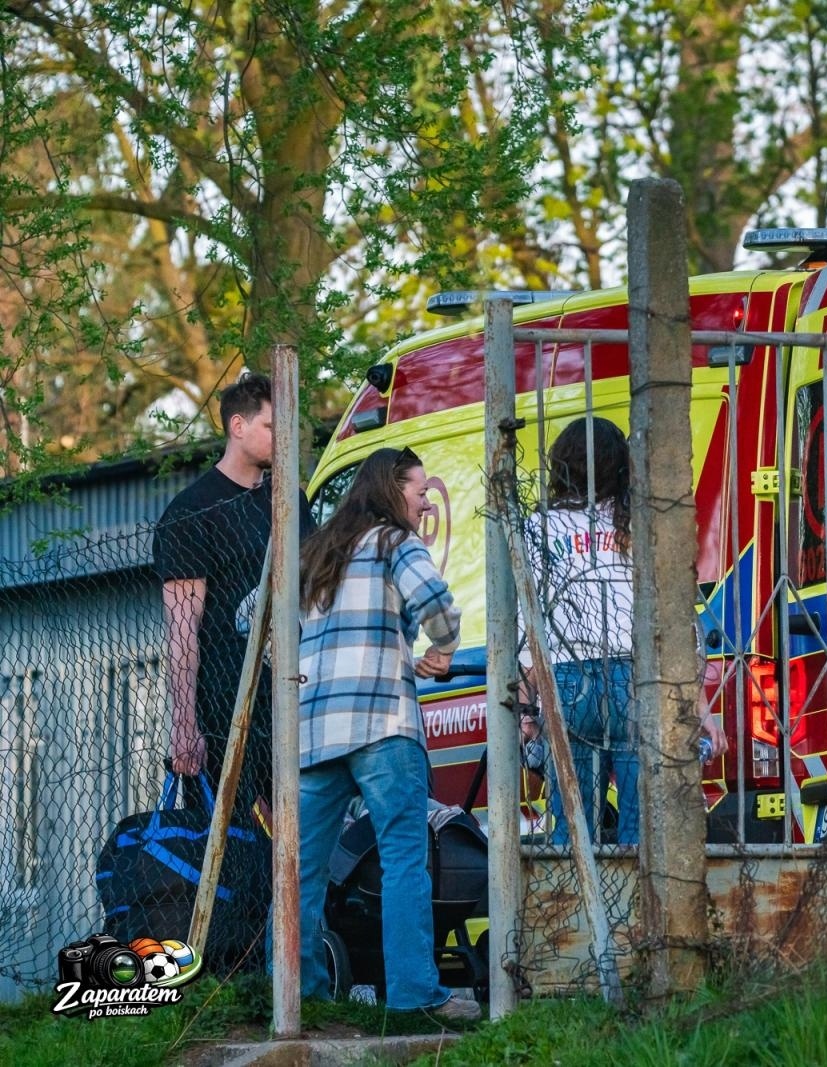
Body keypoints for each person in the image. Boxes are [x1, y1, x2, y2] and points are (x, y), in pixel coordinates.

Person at [293, 447, 479, 1021]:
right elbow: (437, 604)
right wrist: (442, 653)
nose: (427, 502)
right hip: (383, 724)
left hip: (314, 731)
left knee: (300, 868)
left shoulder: (315, 553)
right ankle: (413, 993)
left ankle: (298, 993)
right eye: (420, 491)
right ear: (391, 490)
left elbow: (252, 617)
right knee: (404, 858)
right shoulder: (397, 543)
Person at [524, 418, 725, 847]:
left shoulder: (538, 527)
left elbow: (531, 626)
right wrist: (698, 703)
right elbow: (676, 620)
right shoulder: (643, 525)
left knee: (573, 825)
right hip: (636, 680)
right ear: (623, 466)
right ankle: (639, 911)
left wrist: (533, 707)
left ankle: (573, 908)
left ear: (561, 464)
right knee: (644, 825)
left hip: (568, 678)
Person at [154, 374, 314, 813]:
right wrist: (185, 724)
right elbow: (182, 628)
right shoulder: (191, 512)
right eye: (271, 427)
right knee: (236, 856)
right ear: (238, 426)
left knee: (303, 847)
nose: (283, 439)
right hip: (229, 714)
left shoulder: (291, 502)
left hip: (296, 703)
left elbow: (319, 595)